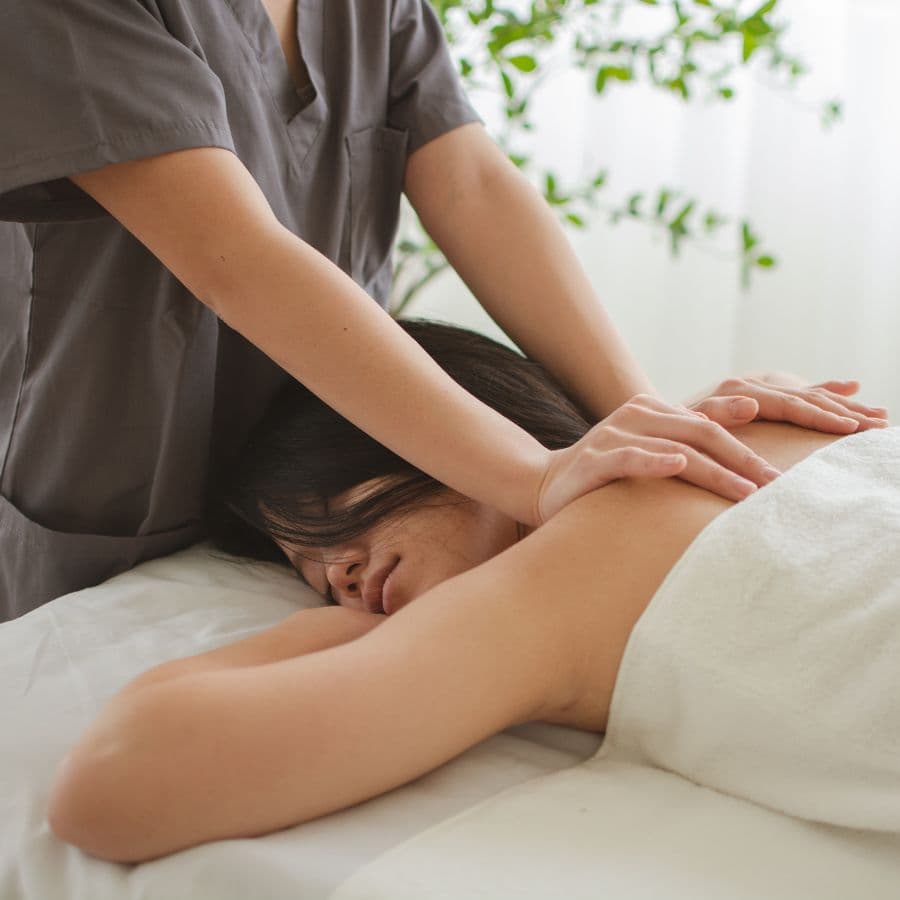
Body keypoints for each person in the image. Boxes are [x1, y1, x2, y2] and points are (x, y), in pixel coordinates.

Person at [0, 1, 885, 620]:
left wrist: (636, 420)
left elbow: (473, 186)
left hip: (320, 483)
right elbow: (237, 255)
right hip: (110, 485)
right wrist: (533, 477)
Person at [46, 319, 892, 863]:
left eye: (335, 519)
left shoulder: (553, 589)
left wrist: (340, 640)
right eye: (312, 577)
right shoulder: (759, 413)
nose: (340, 579)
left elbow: (112, 786)